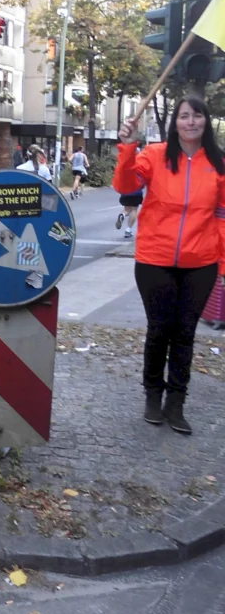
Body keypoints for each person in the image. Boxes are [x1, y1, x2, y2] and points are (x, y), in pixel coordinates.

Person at [115, 95, 225, 435]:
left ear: (206, 121)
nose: (191, 122)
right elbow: (126, 185)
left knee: (185, 333)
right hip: (154, 260)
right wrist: (128, 147)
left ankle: (176, 403)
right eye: (184, 116)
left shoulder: (219, 163)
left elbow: (222, 217)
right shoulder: (155, 155)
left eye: (197, 116)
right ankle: (153, 395)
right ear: (175, 123)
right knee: (159, 329)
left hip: (201, 262)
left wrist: (222, 264)